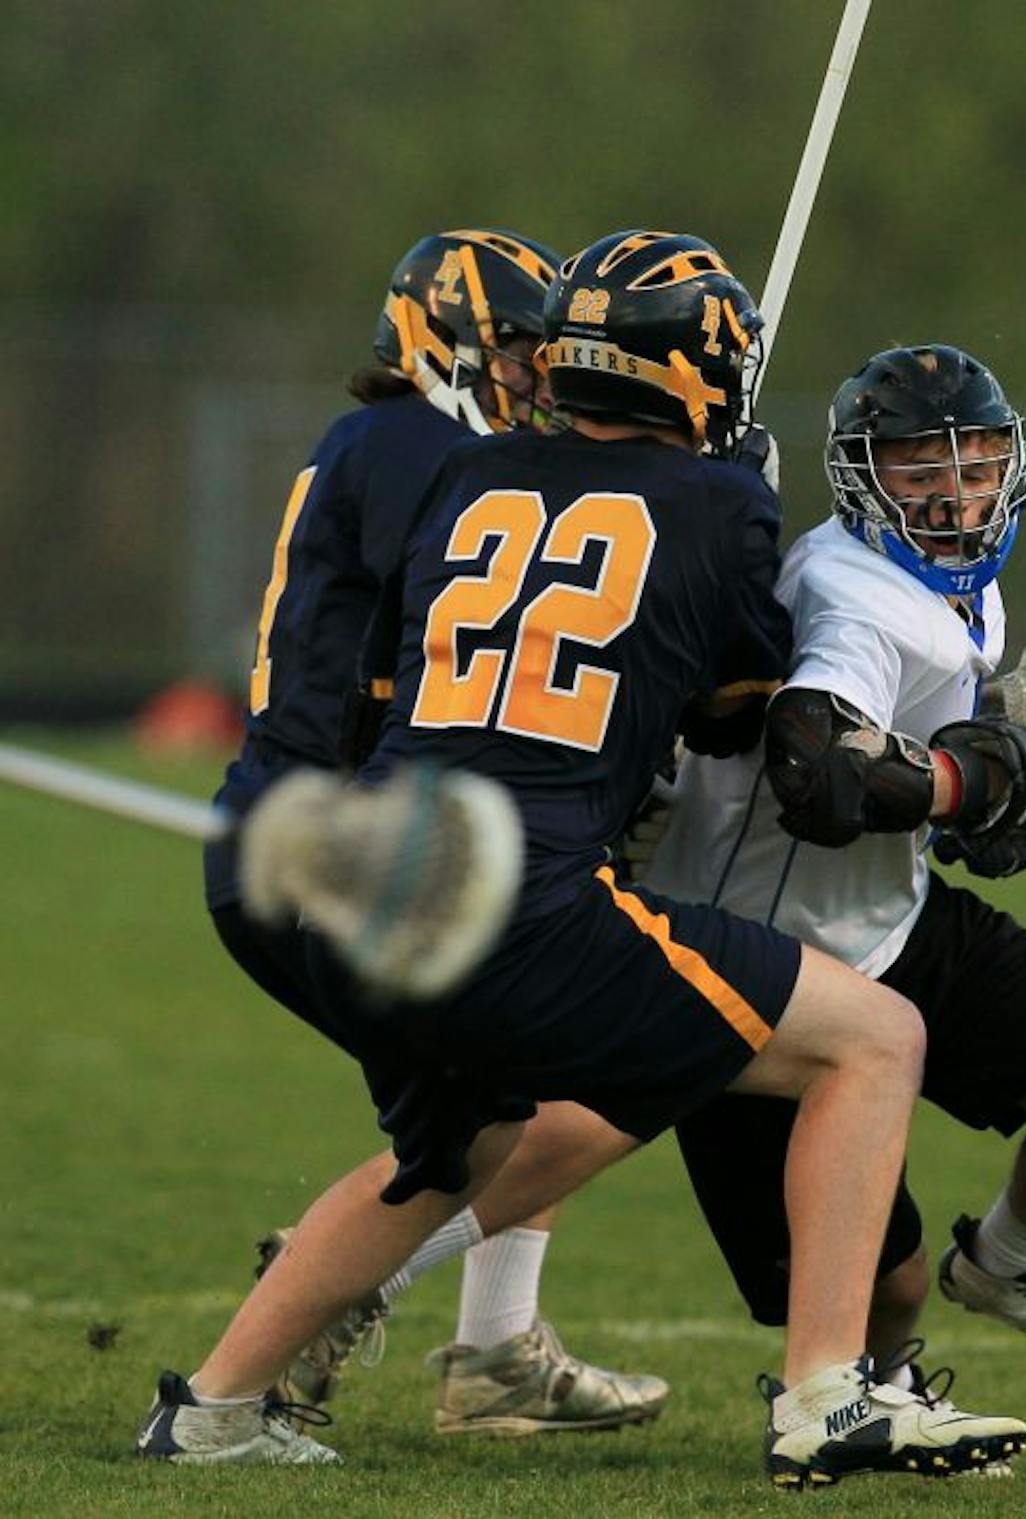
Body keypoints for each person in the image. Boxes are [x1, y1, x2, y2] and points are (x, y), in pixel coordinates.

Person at [139, 230, 1026, 1488]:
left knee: (455, 1154)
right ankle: (830, 1394)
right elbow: (740, 707)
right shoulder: (721, 502)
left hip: (384, 881)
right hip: (526, 899)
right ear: (704, 373)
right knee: (874, 1038)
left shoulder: (466, 473)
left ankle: (212, 1412)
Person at [204, 227, 668, 1436]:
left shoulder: (414, 448)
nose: (539, 375)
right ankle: (259, 1367)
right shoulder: (410, 445)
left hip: (334, 835)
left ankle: (488, 1347)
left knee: (521, 1094)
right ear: (445, 337)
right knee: (516, 1105)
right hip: (337, 848)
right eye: (520, 347)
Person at [639, 344, 1026, 1396]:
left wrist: (992, 798)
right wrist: (966, 786)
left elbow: (926, 766)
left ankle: (1014, 1266)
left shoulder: (966, 585)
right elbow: (821, 768)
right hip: (765, 958)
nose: (956, 491)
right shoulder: (851, 593)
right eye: (921, 466)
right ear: (862, 476)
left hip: (894, 921)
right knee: (888, 1287)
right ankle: (867, 1396)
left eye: (975, 462)